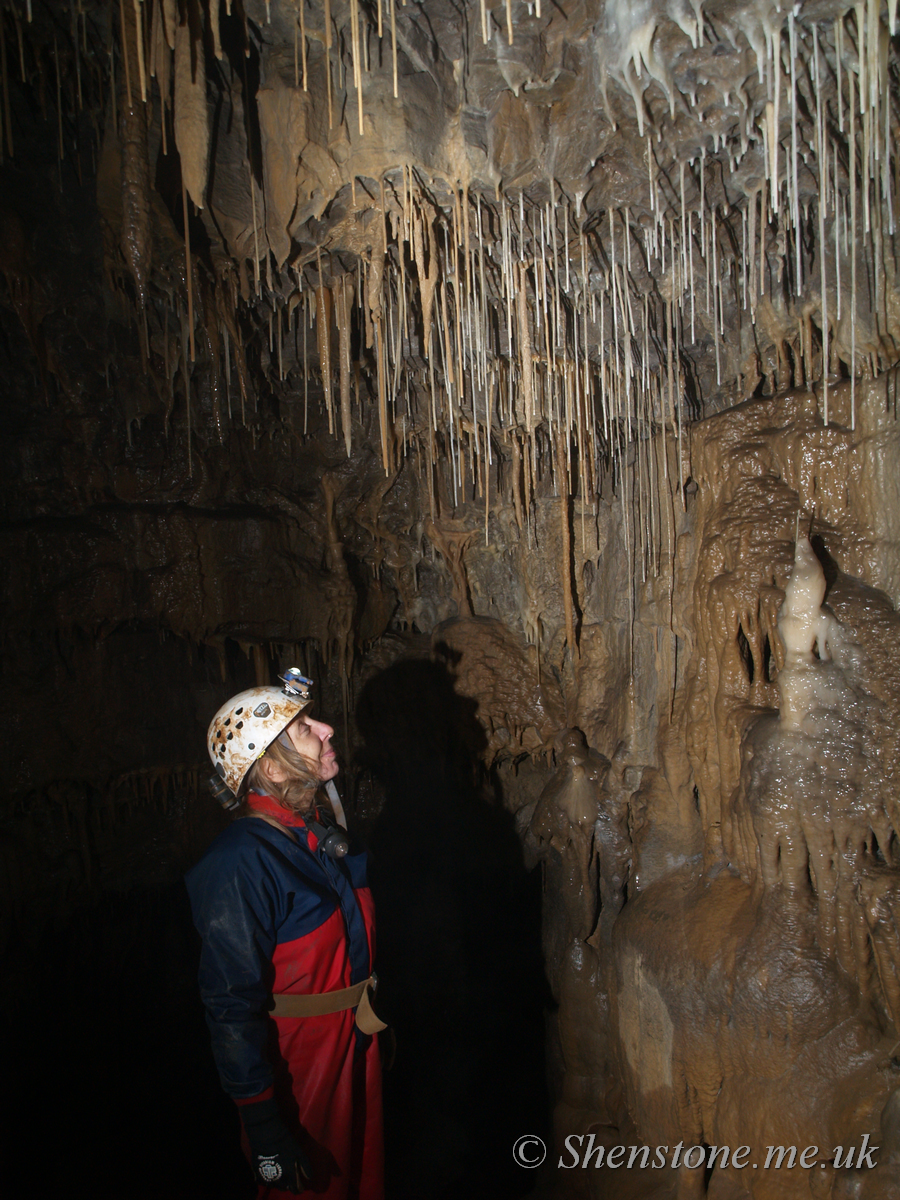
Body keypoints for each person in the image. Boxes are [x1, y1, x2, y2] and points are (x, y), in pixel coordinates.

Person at [185, 668, 385, 1199]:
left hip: (353, 1045)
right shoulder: (240, 863)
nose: (326, 730)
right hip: (302, 1069)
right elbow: (229, 1004)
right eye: (303, 728)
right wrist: (263, 1123)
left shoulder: (317, 837)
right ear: (271, 769)